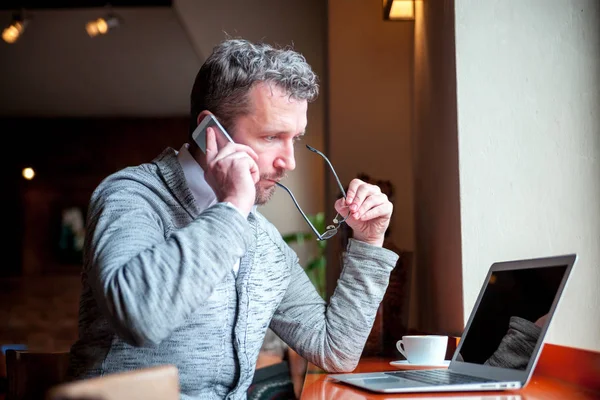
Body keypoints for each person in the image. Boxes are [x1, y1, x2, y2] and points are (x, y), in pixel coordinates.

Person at [67, 38, 398, 399]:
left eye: (296, 139)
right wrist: (232, 208)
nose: (289, 161)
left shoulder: (262, 237)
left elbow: (335, 350)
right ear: (211, 133)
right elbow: (141, 318)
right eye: (272, 136)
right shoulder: (130, 196)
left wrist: (368, 241)